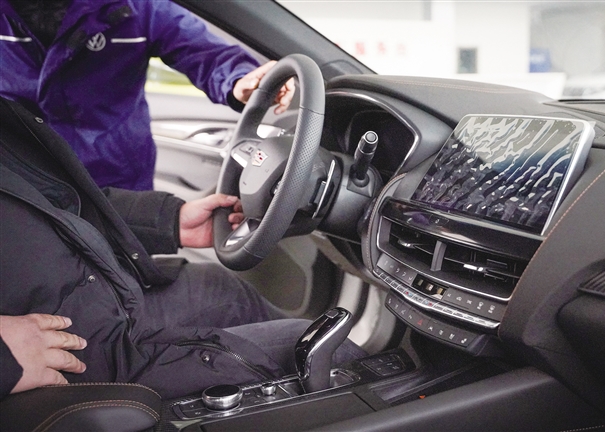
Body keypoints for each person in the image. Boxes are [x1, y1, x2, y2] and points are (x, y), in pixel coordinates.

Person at [0, 97, 365, 399]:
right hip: (79, 352)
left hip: (91, 298)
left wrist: (169, 221)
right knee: (331, 354)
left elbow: (56, 203)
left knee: (219, 288)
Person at [0, 0, 294, 191]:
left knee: (126, 264)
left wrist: (240, 79)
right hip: (19, 175)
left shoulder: (138, 7)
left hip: (117, 176)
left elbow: (206, 53)